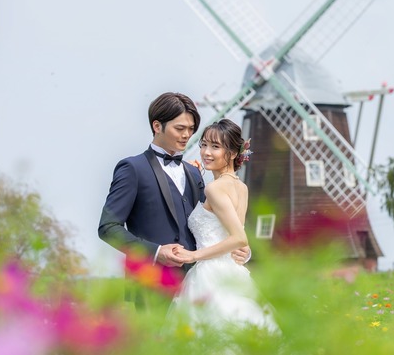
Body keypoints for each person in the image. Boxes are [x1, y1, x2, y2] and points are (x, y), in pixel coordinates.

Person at [97, 92, 250, 297]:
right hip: (150, 283)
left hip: (198, 284)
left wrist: (243, 251)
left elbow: (214, 223)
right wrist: (157, 252)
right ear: (157, 126)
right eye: (180, 128)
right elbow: (108, 227)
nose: (187, 135)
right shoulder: (132, 168)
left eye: (191, 129)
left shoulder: (194, 172)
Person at [168, 119, 279, 335]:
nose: (206, 152)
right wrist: (246, 252)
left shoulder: (214, 189)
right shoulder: (241, 187)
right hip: (233, 272)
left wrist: (193, 256)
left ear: (233, 153)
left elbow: (238, 237)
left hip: (210, 275)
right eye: (203, 145)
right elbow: (238, 237)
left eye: (215, 146)